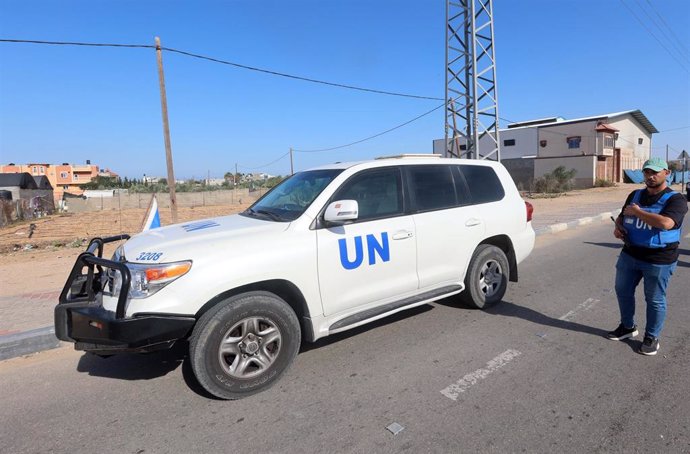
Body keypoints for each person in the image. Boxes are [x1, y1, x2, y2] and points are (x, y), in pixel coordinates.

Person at [607, 157, 687, 355]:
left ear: (666, 173)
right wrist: (618, 228)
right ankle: (627, 327)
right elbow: (623, 216)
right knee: (622, 291)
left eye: (655, 172)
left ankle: (651, 336)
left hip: (659, 259)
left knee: (655, 299)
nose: (650, 176)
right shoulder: (635, 194)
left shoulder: (676, 200)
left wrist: (638, 212)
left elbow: (667, 223)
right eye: (646, 172)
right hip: (630, 253)